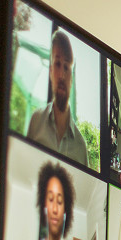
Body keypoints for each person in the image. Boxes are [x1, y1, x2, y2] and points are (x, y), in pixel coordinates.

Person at [26, 29, 89, 167]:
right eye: (58, 64)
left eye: (66, 67)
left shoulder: (81, 146)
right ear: (50, 71)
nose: (61, 75)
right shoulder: (35, 121)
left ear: (71, 78)